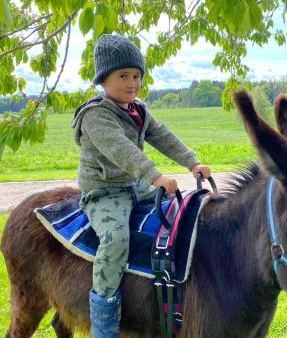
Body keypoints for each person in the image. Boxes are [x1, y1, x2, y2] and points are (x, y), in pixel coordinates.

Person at [72, 34, 211, 337]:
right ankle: (104, 321)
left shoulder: (139, 110)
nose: (132, 83)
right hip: (106, 191)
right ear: (103, 79)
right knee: (116, 239)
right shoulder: (95, 116)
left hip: (135, 185)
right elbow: (120, 149)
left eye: (136, 76)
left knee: (185, 206)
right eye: (123, 76)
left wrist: (192, 162)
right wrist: (155, 176)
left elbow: (162, 136)